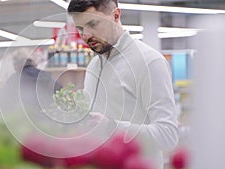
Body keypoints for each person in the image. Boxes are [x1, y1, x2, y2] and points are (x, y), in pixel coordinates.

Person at [67, 0, 179, 168]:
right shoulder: (93, 66)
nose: (86, 35)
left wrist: (110, 127)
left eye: (93, 24)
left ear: (116, 15)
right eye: (81, 29)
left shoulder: (150, 62)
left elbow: (167, 136)